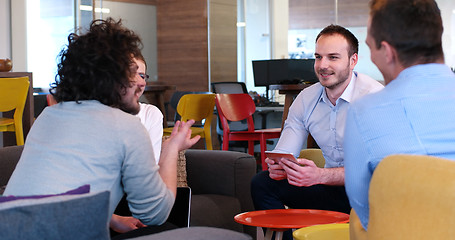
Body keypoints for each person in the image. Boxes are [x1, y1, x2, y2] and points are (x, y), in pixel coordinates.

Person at [4, 18, 200, 235]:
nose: (141, 83)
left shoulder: (48, 117)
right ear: (110, 79)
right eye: (131, 74)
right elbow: (155, 213)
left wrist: (111, 219)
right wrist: (171, 149)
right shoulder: (126, 126)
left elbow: (59, 194)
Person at [250, 24, 384, 240]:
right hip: (331, 190)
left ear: (353, 60)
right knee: (263, 183)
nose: (323, 65)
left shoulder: (375, 99)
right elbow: (286, 151)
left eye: (333, 57)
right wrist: (280, 166)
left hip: (371, 194)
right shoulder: (306, 99)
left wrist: (321, 175)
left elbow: (378, 170)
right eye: (318, 57)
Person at [344, 0, 455, 231]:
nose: (371, 56)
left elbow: (366, 211)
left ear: (387, 52)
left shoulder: (363, 112)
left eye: (370, 47)